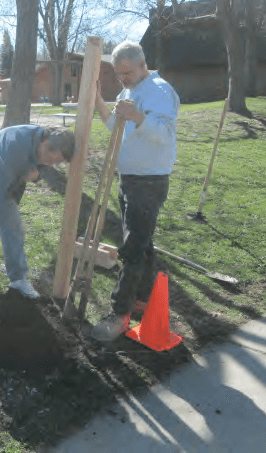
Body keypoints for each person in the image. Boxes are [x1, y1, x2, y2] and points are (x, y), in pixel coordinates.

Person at [90, 40, 180, 342]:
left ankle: (120, 314)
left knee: (131, 249)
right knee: (143, 244)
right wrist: (98, 100)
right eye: (118, 73)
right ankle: (143, 299)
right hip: (129, 179)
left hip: (149, 182)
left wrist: (139, 116)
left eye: (127, 72)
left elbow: (166, 135)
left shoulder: (160, 91)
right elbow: (114, 126)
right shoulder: (127, 93)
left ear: (143, 64)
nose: (123, 78)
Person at [0, 125, 76, 302]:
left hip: (4, 183)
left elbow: (38, 168)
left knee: (14, 228)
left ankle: (18, 278)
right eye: (49, 158)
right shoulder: (15, 141)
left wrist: (37, 174)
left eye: (55, 162)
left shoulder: (44, 146)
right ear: (44, 141)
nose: (50, 163)